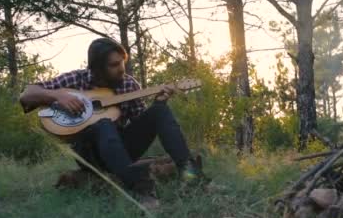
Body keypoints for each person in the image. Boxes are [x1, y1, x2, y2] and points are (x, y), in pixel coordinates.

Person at [19, 37, 205, 193]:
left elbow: (141, 122)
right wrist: (57, 95)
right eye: (114, 65)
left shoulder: (128, 85)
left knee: (160, 112)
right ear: (97, 68)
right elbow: (27, 94)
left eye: (122, 62)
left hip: (123, 151)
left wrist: (158, 103)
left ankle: (192, 178)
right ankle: (139, 187)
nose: (121, 68)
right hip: (90, 153)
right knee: (104, 123)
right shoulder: (76, 80)